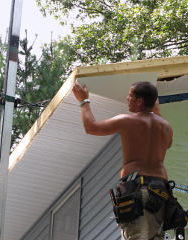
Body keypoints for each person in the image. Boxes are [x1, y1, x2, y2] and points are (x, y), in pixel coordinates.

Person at [72, 81, 173, 240]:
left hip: (139, 190)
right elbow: (165, 143)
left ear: (140, 101)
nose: (127, 98)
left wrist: (84, 101)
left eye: (130, 95)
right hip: (160, 192)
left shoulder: (127, 120)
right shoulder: (167, 128)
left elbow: (91, 127)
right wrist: (155, 107)